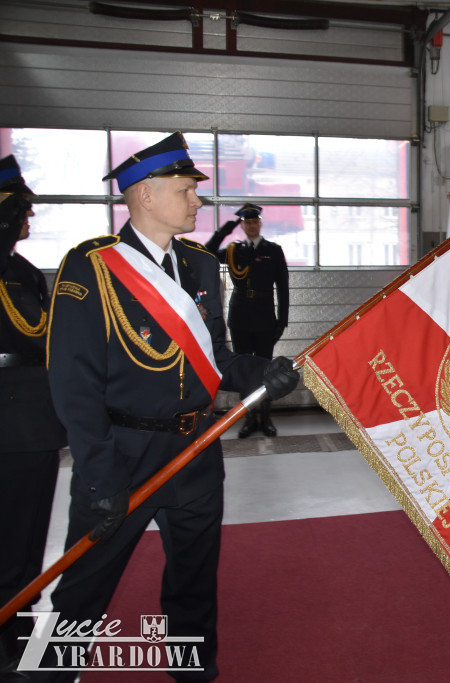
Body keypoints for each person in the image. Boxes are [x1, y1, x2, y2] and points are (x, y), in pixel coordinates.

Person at [37, 133, 298, 682]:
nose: (198, 201)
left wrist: (262, 374)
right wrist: (98, 472)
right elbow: (73, 384)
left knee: (194, 581)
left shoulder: (201, 266)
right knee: (84, 587)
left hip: (196, 448)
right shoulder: (91, 267)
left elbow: (216, 357)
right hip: (122, 454)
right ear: (145, 196)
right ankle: (51, 675)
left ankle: (194, 671)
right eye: (186, 190)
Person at [0, 156, 66, 680]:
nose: (29, 218)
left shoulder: (24, 271)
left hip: (33, 420)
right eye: (22, 208)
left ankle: (18, 622)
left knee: (27, 535)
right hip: (6, 416)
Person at [205, 203, 289, 438]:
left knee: (265, 370)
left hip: (264, 316)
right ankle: (249, 419)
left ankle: (265, 418)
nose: (251, 225)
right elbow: (207, 253)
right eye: (246, 222)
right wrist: (223, 232)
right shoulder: (234, 249)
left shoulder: (273, 250)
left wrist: (282, 320)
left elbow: (283, 286)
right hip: (240, 316)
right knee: (243, 370)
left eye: (255, 221)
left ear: (260, 223)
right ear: (242, 225)